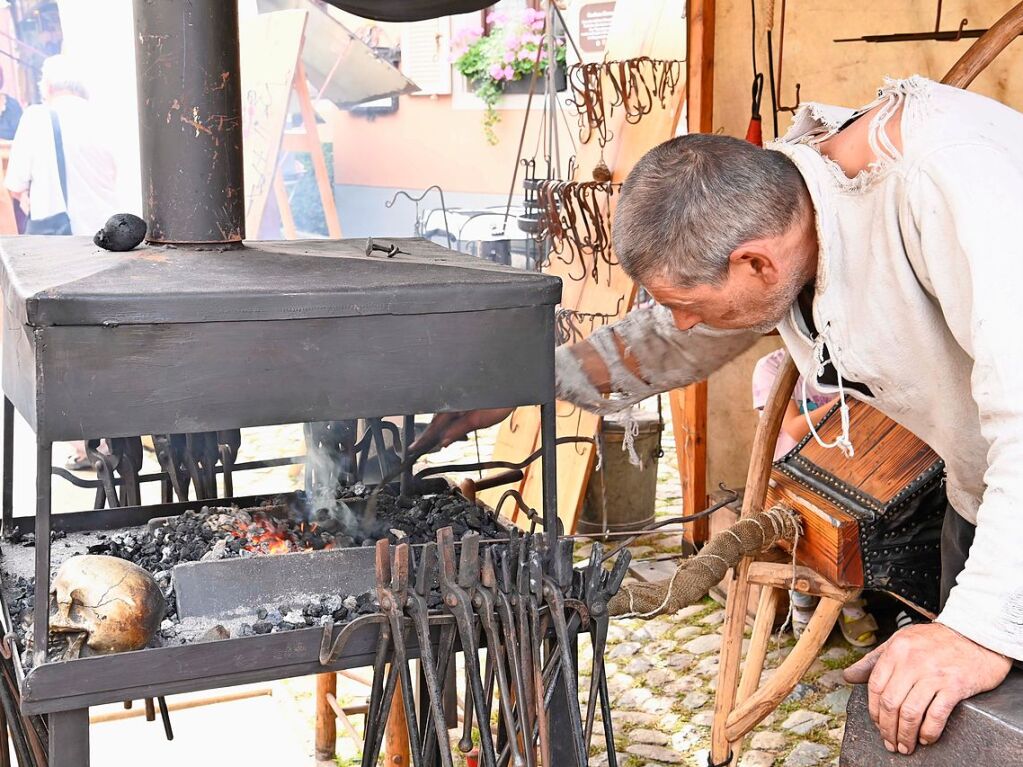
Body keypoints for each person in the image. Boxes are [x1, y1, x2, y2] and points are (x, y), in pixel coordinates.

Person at [421, 76, 1021, 756]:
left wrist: (977, 628)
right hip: (989, 499)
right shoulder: (790, 210)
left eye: (686, 299)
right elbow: (682, 330)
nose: (681, 320)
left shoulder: (954, 185)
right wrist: (534, 379)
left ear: (754, 261)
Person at [752, 348, 877, 647]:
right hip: (788, 475)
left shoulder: (845, 362)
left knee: (852, 533)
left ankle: (849, 603)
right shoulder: (770, 367)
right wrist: (848, 401)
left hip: (840, 472)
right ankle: (802, 596)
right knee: (801, 538)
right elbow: (795, 429)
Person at [5, 54, 116, 236]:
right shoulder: (104, 119)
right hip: (107, 236)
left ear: (47, 88)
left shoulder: (35, 118)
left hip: (61, 242)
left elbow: (15, 185)